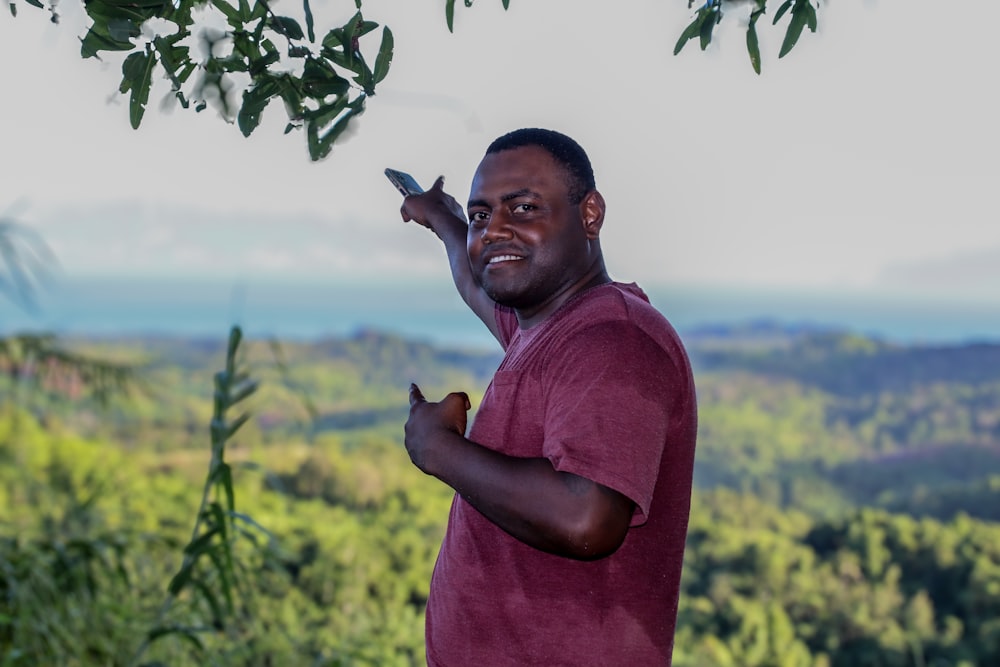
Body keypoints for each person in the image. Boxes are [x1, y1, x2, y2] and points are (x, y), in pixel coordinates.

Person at [399, 128, 697, 666]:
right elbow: (478, 284)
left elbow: (587, 518)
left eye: (524, 208)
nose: (494, 231)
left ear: (590, 215)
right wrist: (444, 220)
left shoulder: (614, 340)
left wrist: (436, 448)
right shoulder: (546, 327)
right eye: (482, 216)